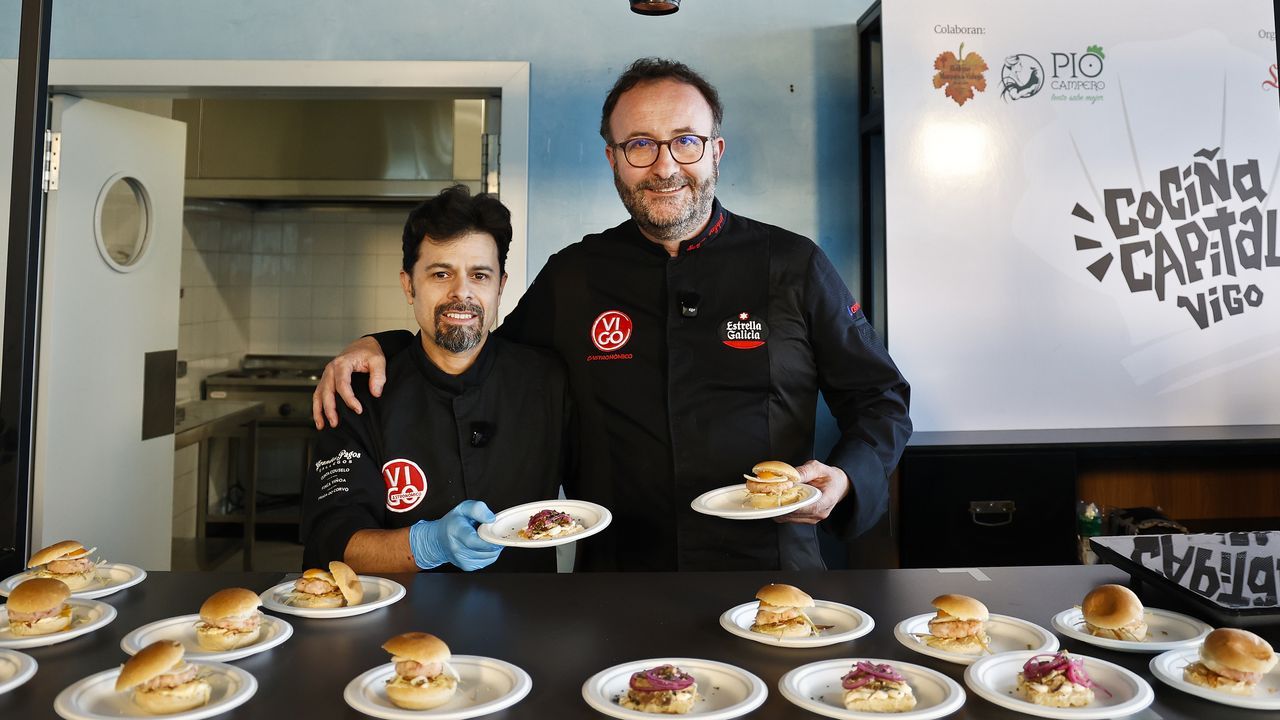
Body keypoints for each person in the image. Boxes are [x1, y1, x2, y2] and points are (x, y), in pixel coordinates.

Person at [312, 58, 911, 572]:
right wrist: (381, 345)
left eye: (685, 140)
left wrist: (849, 478)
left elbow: (880, 396)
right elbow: (478, 354)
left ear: (715, 151)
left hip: (771, 571)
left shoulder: (793, 264)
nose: (665, 166)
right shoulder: (576, 274)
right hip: (620, 578)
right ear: (613, 159)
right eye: (640, 145)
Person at [301, 185, 573, 573]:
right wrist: (424, 545)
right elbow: (329, 543)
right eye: (441, 273)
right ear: (408, 285)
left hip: (527, 616)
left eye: (479, 275)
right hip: (399, 621)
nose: (461, 292)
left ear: (500, 286)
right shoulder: (358, 393)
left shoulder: (550, 382)